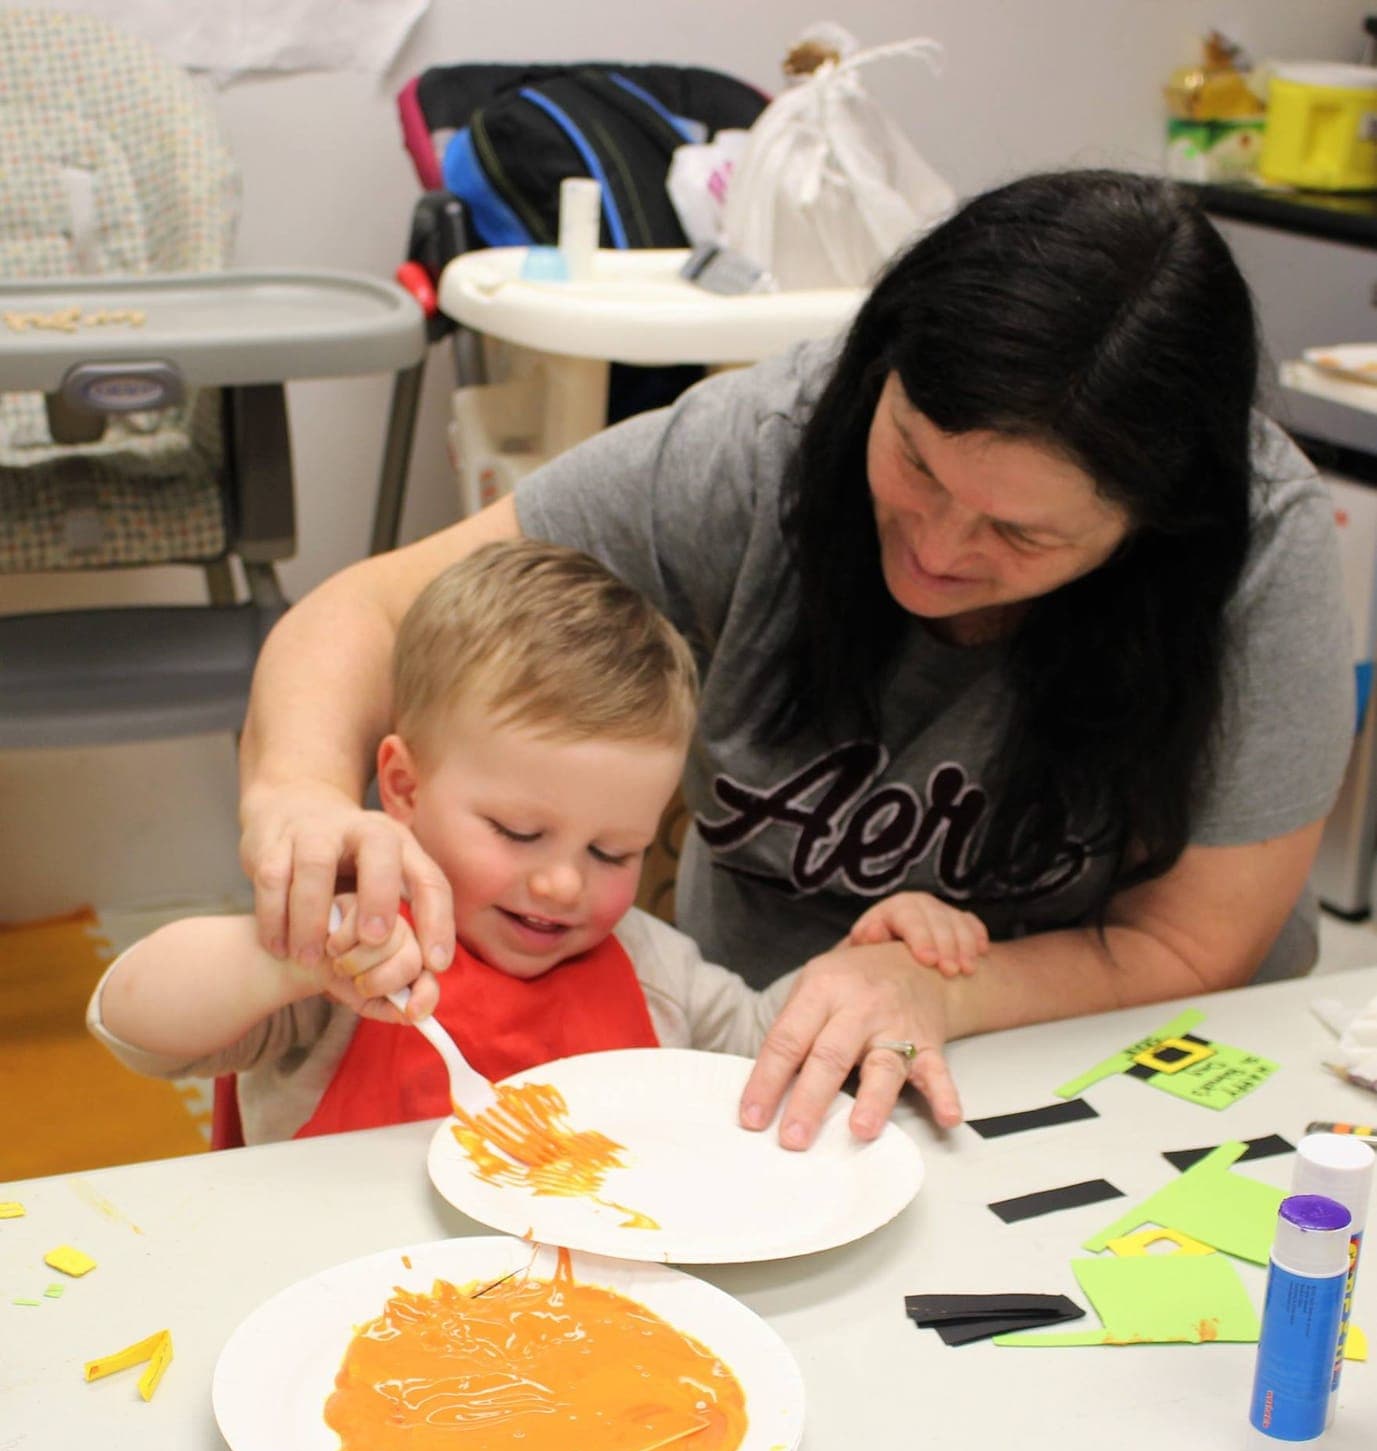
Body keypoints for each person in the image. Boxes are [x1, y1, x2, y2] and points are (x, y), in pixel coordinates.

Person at [235, 168, 1352, 1151]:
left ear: (1148, 528)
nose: (936, 550)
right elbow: (369, 612)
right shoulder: (766, 443)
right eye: (913, 462)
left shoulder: (1255, 549)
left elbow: (1195, 944)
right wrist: (293, 798)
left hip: (1113, 1060)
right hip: (761, 1057)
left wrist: (938, 987)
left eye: (1019, 536)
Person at [89, 542, 991, 1142]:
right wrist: (284, 962)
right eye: (520, 832)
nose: (564, 885)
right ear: (402, 787)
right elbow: (131, 1025)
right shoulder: (350, 954)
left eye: (614, 853)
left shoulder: (652, 966)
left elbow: (774, 1039)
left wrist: (878, 952)